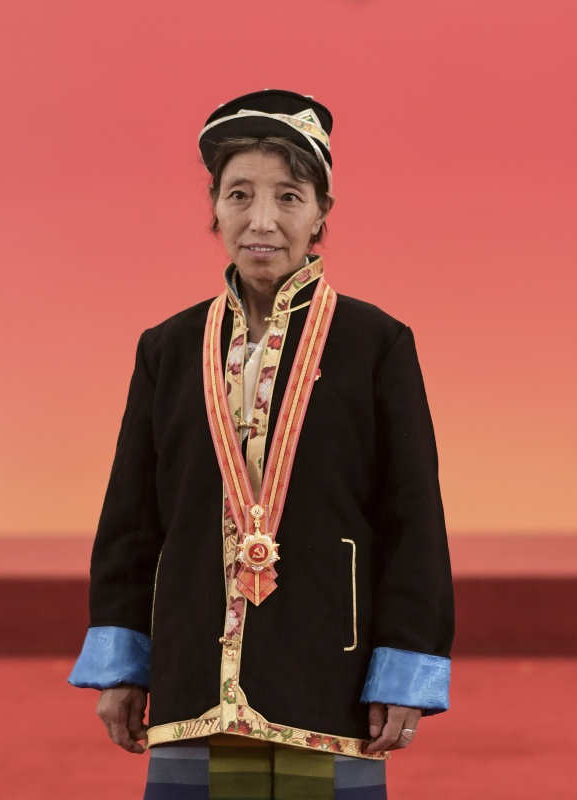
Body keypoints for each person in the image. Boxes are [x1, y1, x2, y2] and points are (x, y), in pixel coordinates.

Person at [69, 89, 454, 800]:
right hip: (194, 670)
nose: (262, 220)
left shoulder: (375, 344)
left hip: (331, 667)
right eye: (239, 194)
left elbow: (413, 518)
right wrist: (123, 663)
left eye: (289, 197)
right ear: (214, 208)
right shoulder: (168, 348)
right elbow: (131, 519)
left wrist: (404, 666)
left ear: (322, 214)